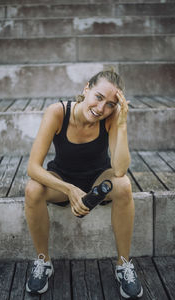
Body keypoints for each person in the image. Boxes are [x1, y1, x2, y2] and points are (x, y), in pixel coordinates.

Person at [25, 69, 143, 298]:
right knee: (32, 189)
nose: (101, 109)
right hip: (62, 179)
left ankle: (124, 265)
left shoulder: (110, 118)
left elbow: (119, 169)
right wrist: (69, 189)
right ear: (86, 88)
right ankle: (43, 261)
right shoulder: (58, 112)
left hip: (99, 178)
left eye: (110, 104)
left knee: (124, 185)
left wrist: (122, 122)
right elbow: (33, 167)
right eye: (99, 97)